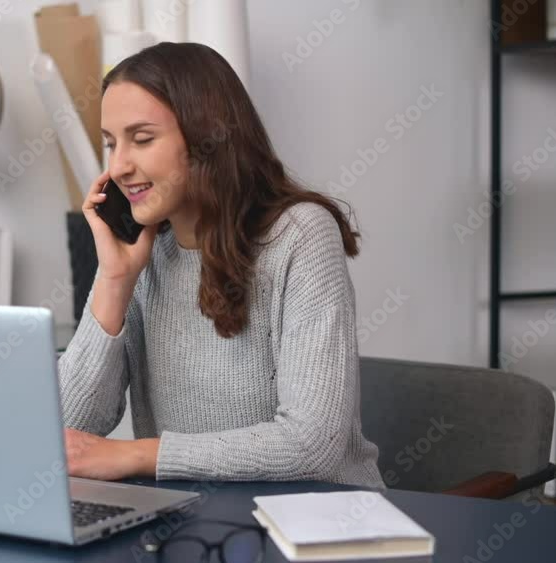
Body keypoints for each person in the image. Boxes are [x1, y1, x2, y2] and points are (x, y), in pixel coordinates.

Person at [58, 42, 384, 490]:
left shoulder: (300, 235)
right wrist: (115, 281)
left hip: (315, 524)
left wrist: (134, 455)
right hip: (190, 524)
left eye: (143, 139)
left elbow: (314, 447)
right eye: (111, 143)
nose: (118, 166)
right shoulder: (137, 250)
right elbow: (68, 431)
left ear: (205, 139)